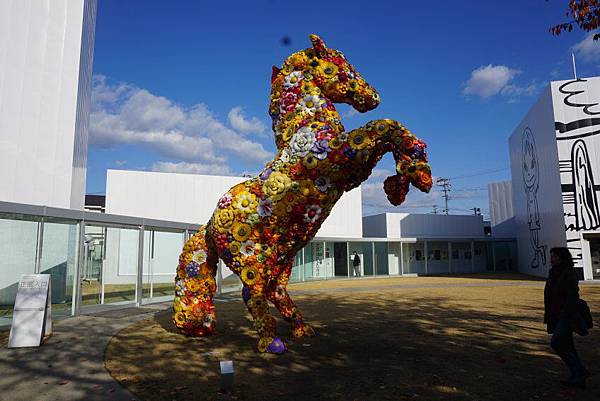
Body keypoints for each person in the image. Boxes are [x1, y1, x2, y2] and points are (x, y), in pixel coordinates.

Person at [544, 247, 590, 388]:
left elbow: (572, 296)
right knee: (568, 345)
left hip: (566, 315)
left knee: (557, 342)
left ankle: (580, 371)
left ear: (562, 258)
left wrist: (566, 312)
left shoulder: (568, 273)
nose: (551, 259)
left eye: (554, 256)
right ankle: (577, 376)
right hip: (556, 314)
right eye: (551, 256)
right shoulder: (553, 273)